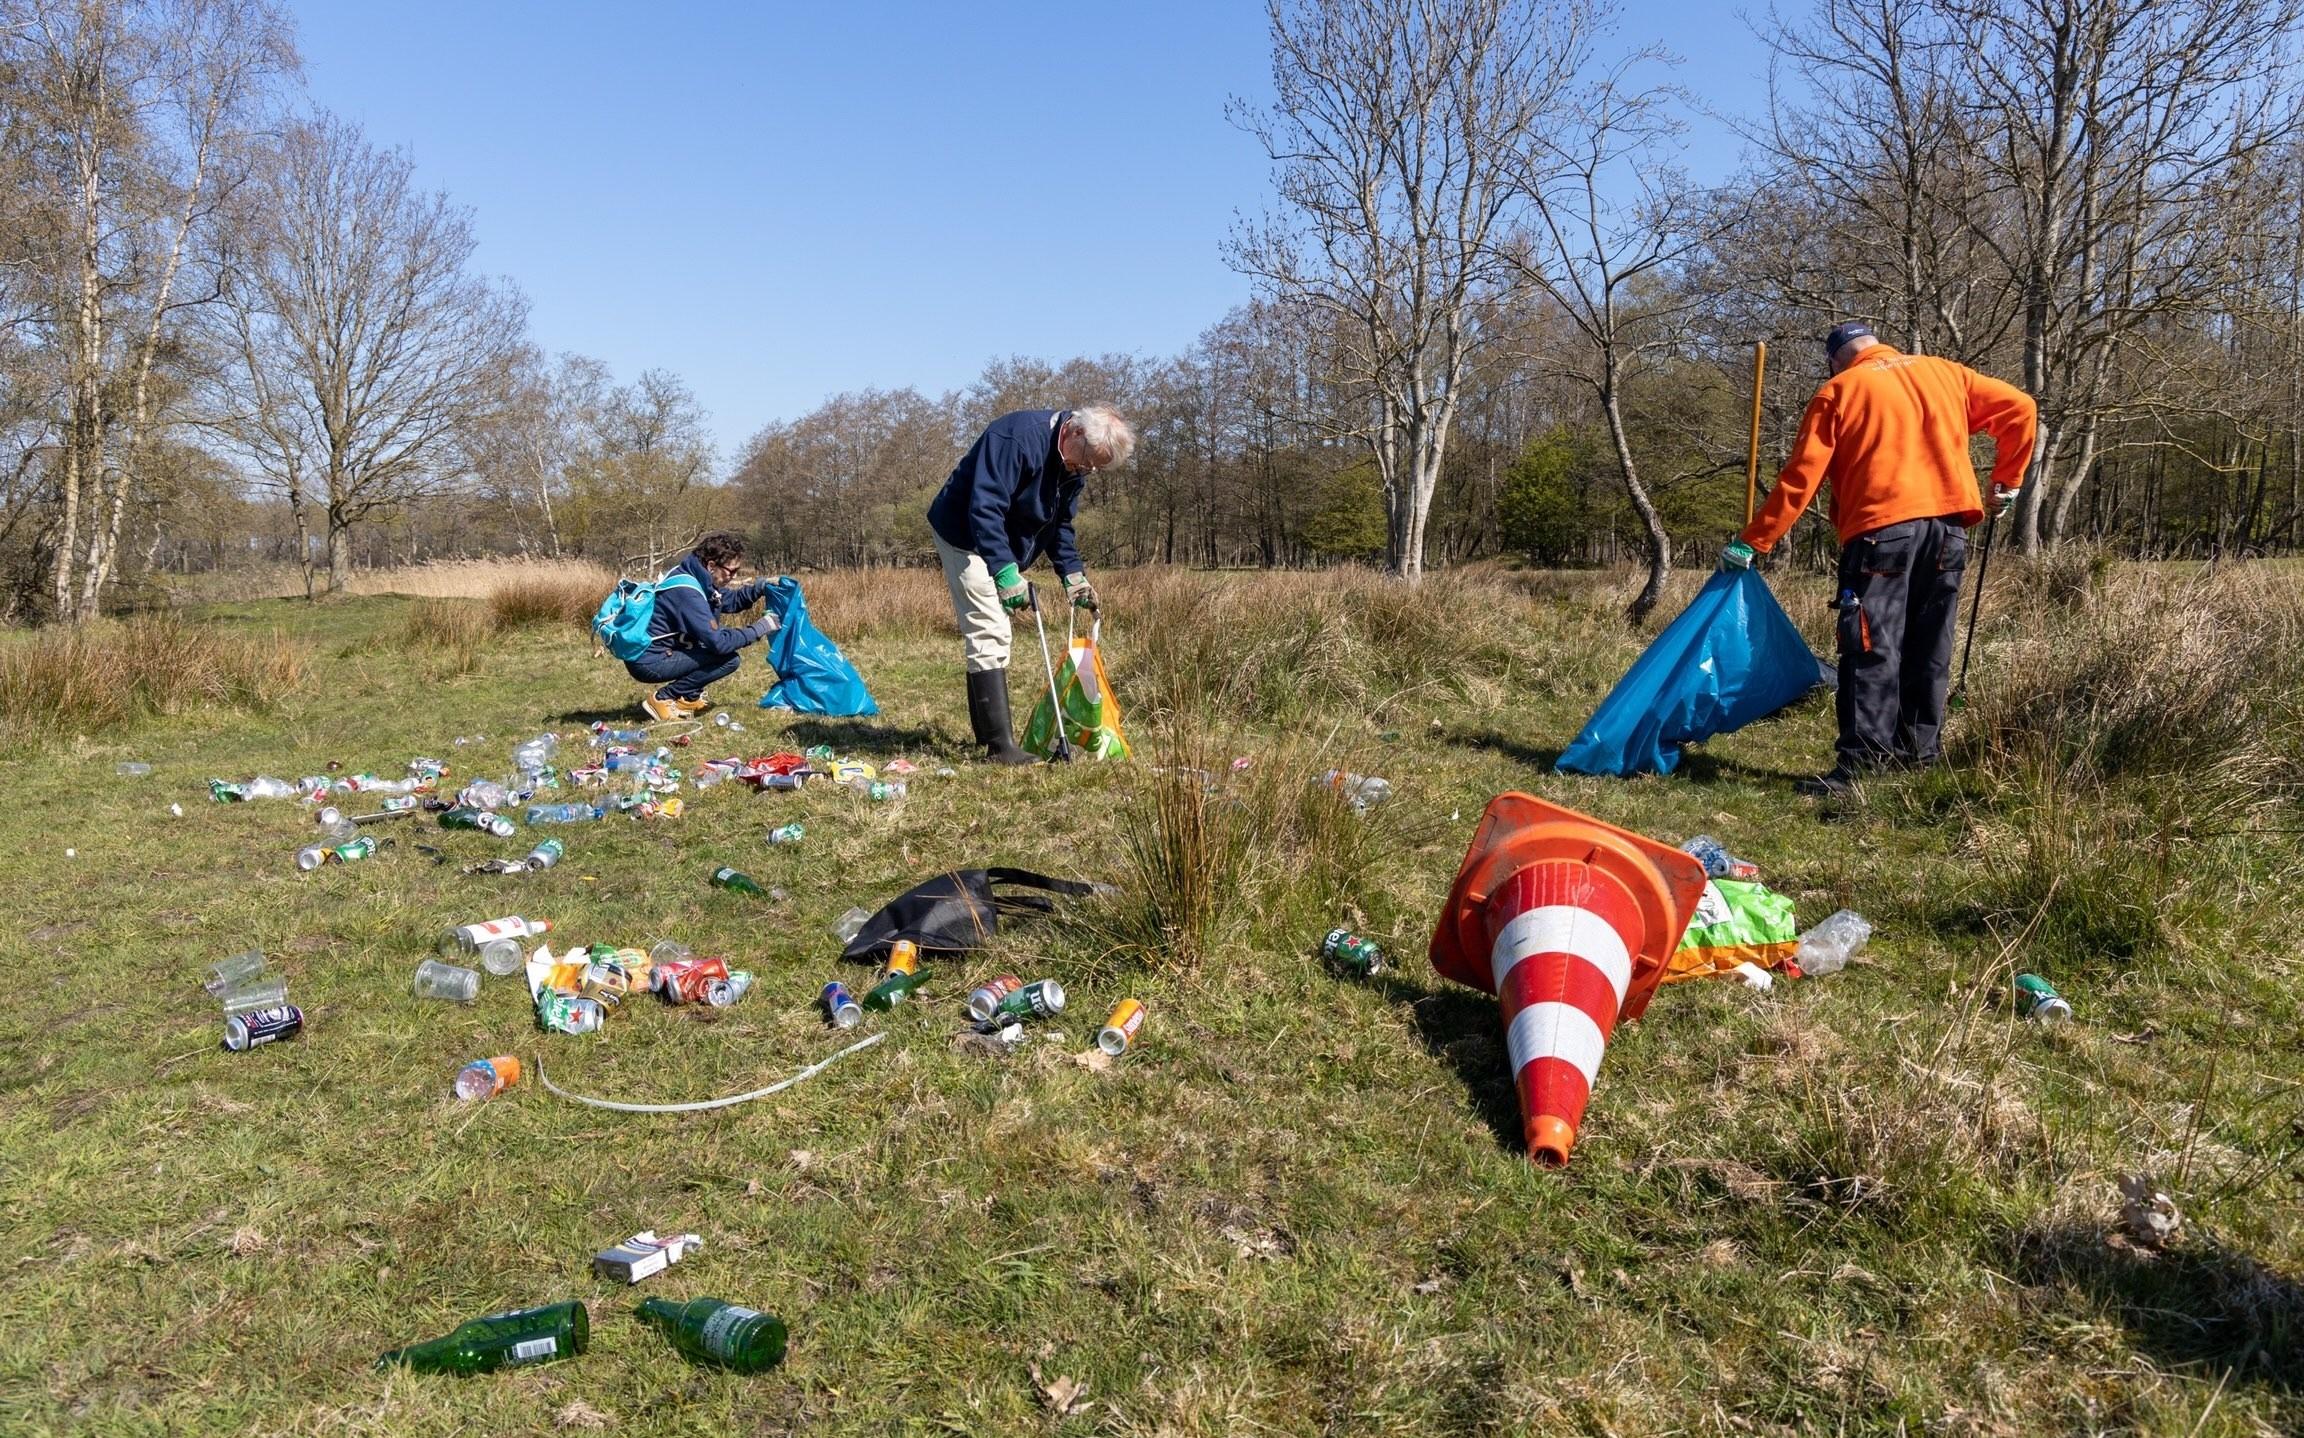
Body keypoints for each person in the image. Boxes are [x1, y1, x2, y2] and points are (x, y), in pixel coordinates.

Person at [1725, 322, 2036, 796]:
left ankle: (1862, 768)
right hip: (1948, 530)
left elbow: (1800, 477)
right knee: (1930, 645)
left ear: (1835, 359)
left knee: (1869, 646)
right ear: (1875, 344)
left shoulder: (1840, 390)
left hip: (1880, 534)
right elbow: (2021, 408)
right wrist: (2006, 481)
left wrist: (1754, 540)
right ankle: (1918, 757)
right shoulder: (1946, 373)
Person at [927, 405, 1135, 762]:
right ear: (1074, 432)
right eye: (1085, 463)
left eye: (1094, 468)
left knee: (994, 635)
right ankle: (1000, 748)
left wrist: (1073, 575)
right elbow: (985, 508)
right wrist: (1006, 573)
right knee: (990, 629)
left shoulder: (1075, 461)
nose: (1085, 471)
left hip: (997, 537)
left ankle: (985, 734)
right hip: (964, 533)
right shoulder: (1016, 439)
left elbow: (1060, 525)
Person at [627, 531, 779, 722]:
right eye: (731, 571)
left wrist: (760, 588)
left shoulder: (695, 576)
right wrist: (760, 628)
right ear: (711, 565)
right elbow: (719, 644)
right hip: (648, 662)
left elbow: (727, 600)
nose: (734, 576)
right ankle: (663, 698)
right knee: (728, 659)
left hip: (660, 652)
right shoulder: (687, 592)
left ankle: (688, 698)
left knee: (714, 646)